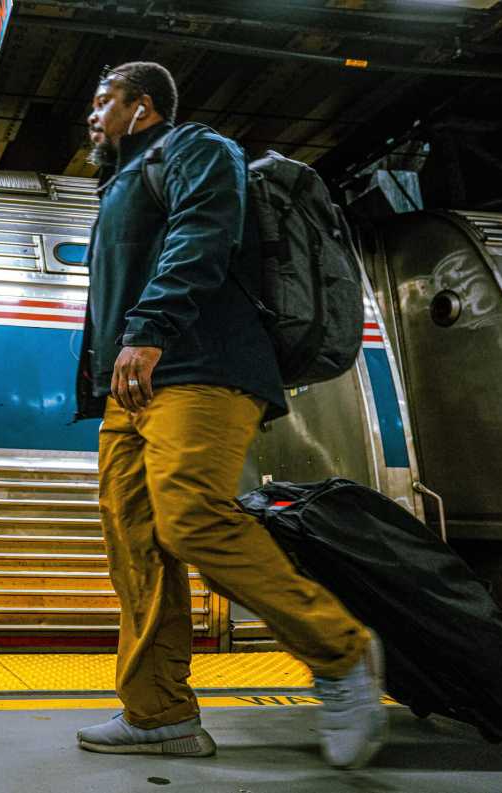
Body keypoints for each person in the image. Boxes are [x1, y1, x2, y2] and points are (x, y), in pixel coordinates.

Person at [71, 62, 386, 769]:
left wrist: (149, 329)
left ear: (143, 106)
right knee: (137, 546)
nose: (91, 116)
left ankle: (341, 652)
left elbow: (204, 232)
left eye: (103, 102)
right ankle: (158, 714)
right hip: (131, 391)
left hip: (201, 367)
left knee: (192, 516)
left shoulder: (190, 148)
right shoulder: (116, 186)